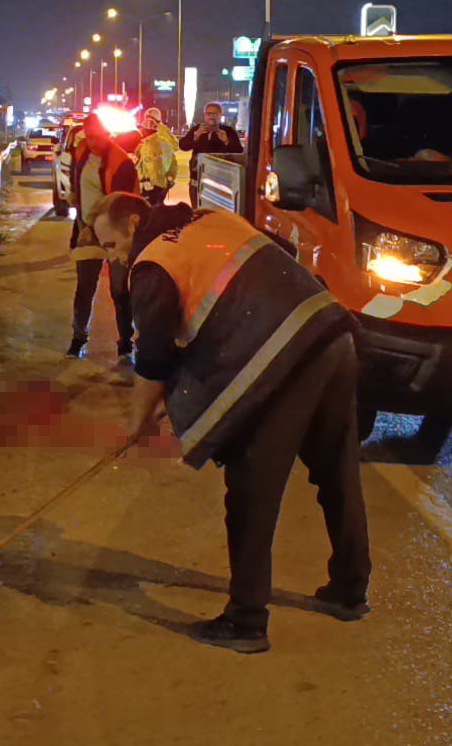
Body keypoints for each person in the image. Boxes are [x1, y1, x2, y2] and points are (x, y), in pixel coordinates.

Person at [91, 191, 370, 653]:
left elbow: (155, 356)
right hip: (331, 336)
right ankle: (350, 589)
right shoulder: (208, 220)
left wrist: (136, 422)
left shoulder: (152, 264)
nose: (114, 258)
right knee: (336, 473)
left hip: (284, 361)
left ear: (134, 223)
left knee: (251, 494)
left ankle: (245, 622)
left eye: (111, 245)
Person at [65, 113, 137, 360]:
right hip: (87, 232)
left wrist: (103, 230)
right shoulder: (81, 154)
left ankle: (126, 343)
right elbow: (78, 187)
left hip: (116, 235)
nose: (94, 142)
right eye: (90, 137)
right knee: (84, 288)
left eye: (98, 137)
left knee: (119, 290)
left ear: (107, 133)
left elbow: (121, 206)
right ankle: (78, 338)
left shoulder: (121, 163)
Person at [182, 103, 243, 207]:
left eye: (215, 114)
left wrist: (227, 141)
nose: (211, 117)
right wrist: (195, 137)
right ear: (204, 115)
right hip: (197, 179)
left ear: (220, 115)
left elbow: (239, 151)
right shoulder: (197, 129)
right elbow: (183, 146)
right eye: (208, 113)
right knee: (196, 210)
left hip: (220, 181)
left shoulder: (228, 131)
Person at [134, 107, 179, 207]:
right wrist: (170, 178)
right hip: (163, 181)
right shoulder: (158, 140)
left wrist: (149, 183)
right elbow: (173, 161)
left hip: (154, 184)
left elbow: (153, 167)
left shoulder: (152, 143)